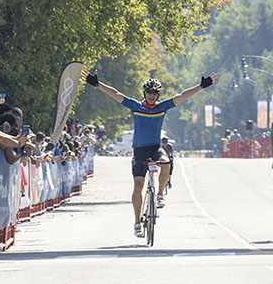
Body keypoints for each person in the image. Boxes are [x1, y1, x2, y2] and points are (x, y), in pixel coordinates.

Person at [83, 70, 217, 238]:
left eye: (155, 93)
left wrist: (201, 86)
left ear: (158, 94)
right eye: (149, 92)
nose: (152, 95)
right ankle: (137, 222)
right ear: (144, 93)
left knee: (166, 162)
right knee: (138, 186)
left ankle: (160, 194)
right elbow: (116, 94)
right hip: (139, 150)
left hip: (155, 148)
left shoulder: (162, 107)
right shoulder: (135, 106)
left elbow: (182, 96)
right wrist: (97, 83)